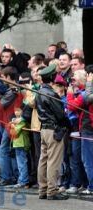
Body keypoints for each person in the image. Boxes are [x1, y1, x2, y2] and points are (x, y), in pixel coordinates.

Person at [35, 64, 69, 200]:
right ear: (52, 77)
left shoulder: (39, 92)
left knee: (43, 159)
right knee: (53, 161)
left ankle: (43, 189)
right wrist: (68, 123)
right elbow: (60, 115)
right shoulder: (51, 94)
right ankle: (52, 190)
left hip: (44, 129)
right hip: (54, 130)